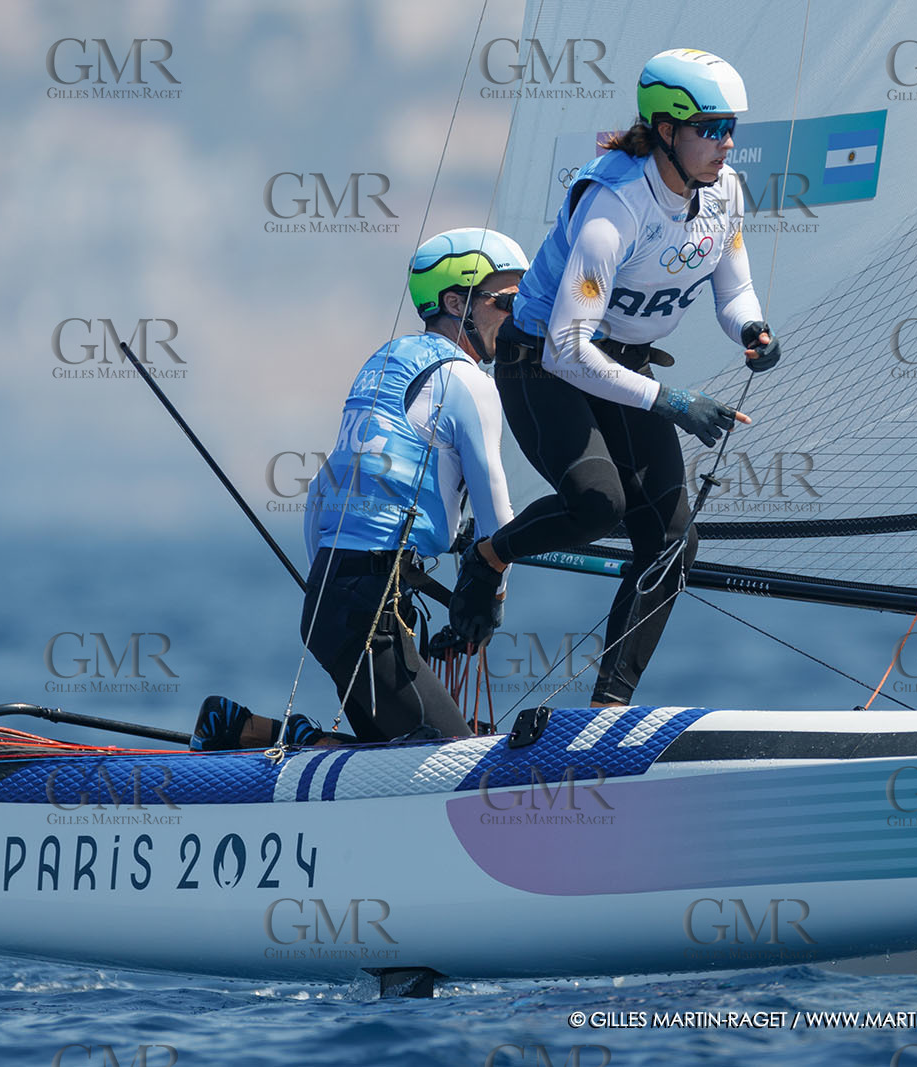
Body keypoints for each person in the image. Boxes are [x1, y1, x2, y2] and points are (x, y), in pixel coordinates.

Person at [481, 48, 782, 709]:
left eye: (731, 127)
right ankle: (491, 555)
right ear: (666, 131)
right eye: (711, 128)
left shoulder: (725, 192)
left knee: (674, 542)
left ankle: (608, 707)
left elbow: (735, 291)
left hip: (622, 364)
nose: (727, 143)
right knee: (598, 504)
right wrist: (669, 401)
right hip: (544, 364)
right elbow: (566, 349)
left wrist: (752, 329)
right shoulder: (614, 205)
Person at [190, 228, 526, 750]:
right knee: (452, 758)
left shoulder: (386, 363)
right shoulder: (471, 384)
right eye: (506, 301)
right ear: (457, 303)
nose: (518, 316)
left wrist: (329, 584)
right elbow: (499, 521)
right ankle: (273, 737)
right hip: (370, 612)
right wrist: (489, 602)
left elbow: (324, 490)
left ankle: (245, 730)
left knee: (387, 755)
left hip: (335, 599)